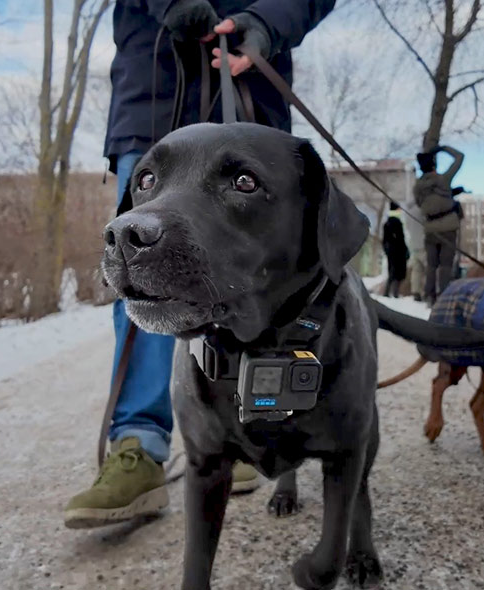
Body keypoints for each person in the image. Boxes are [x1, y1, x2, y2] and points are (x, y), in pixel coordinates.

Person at [63, 0, 335, 530]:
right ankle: (140, 445)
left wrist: (268, 24)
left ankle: (243, 432)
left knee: (258, 286)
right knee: (144, 267)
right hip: (157, 93)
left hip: (251, 95)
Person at [414, 145, 466, 306]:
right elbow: (460, 156)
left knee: (431, 265)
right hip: (448, 228)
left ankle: (429, 296)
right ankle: (443, 296)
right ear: (434, 165)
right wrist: (442, 148)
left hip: (430, 229)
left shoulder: (417, 187)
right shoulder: (444, 180)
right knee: (445, 265)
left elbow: (420, 204)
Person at [381, 202, 408, 298]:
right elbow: (401, 238)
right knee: (397, 272)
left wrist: (386, 249)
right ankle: (394, 292)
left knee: (391, 271)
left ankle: (388, 292)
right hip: (398, 251)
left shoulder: (386, 223)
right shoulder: (397, 223)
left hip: (390, 251)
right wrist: (405, 250)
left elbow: (384, 240)